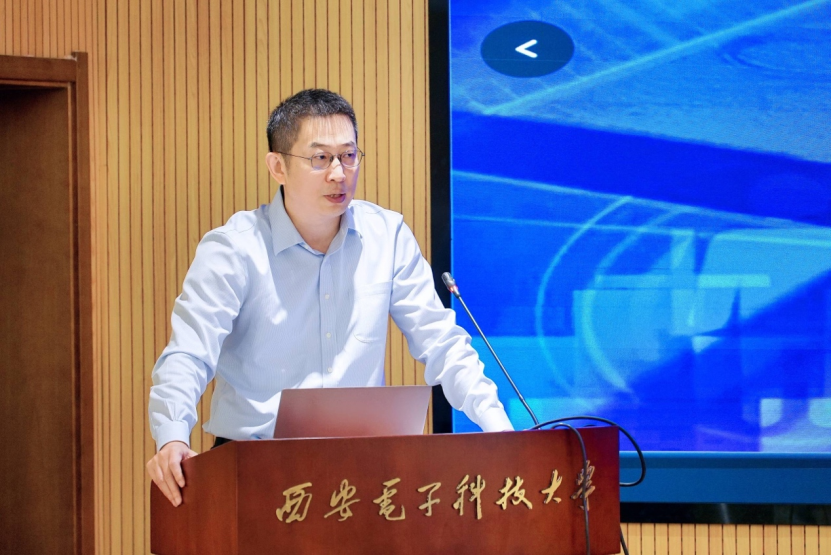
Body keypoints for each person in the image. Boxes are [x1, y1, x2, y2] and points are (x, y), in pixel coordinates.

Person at [146, 89, 513, 507]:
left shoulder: (387, 236)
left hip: (364, 474)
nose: (339, 173)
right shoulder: (234, 249)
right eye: (320, 158)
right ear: (278, 166)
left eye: (349, 155)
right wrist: (172, 436)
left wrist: (498, 429)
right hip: (254, 471)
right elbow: (189, 353)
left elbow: (440, 342)